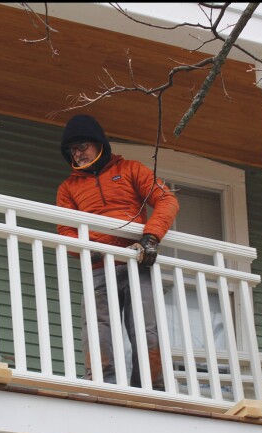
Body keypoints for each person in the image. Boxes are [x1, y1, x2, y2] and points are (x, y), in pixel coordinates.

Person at [56, 115, 179, 390]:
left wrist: (151, 237)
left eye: (83, 145)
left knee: (147, 329)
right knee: (96, 329)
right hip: (99, 267)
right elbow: (65, 230)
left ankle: (151, 387)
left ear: (99, 143)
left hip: (137, 260)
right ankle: (103, 385)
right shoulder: (68, 188)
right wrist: (90, 251)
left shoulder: (131, 170)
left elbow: (167, 200)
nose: (78, 153)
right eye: (72, 149)